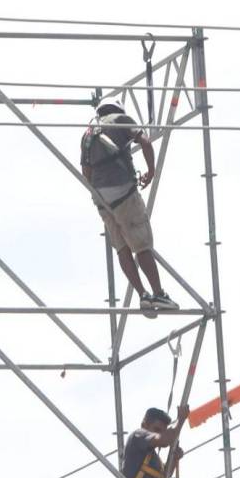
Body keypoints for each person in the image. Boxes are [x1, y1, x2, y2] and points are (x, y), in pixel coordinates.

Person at [81, 99, 179, 316]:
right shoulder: (120, 120)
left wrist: (99, 196)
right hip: (124, 193)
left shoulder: (88, 134)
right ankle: (159, 293)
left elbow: (86, 172)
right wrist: (151, 171)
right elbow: (144, 142)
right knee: (141, 242)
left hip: (103, 200)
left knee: (122, 248)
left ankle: (143, 295)